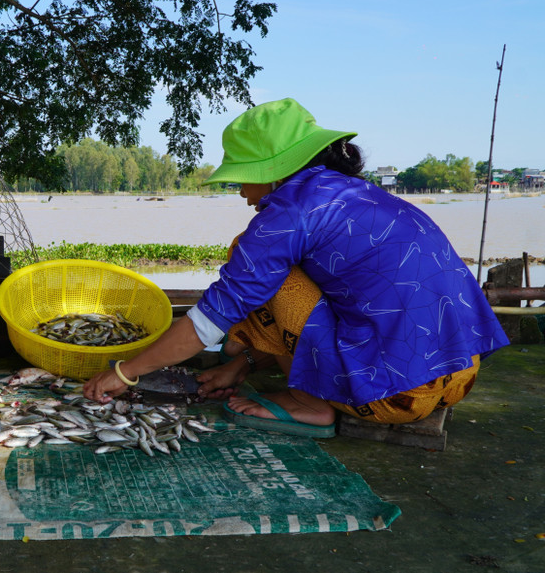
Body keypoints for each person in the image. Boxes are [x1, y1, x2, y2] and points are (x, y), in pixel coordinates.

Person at [84, 98, 509, 437]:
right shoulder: (360, 194)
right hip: (458, 378)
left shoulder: (288, 213)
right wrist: (242, 364)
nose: (243, 193)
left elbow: (207, 322)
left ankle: (310, 404)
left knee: (252, 264)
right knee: (277, 276)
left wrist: (126, 373)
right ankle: (278, 374)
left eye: (242, 179)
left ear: (271, 174)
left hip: (395, 397)